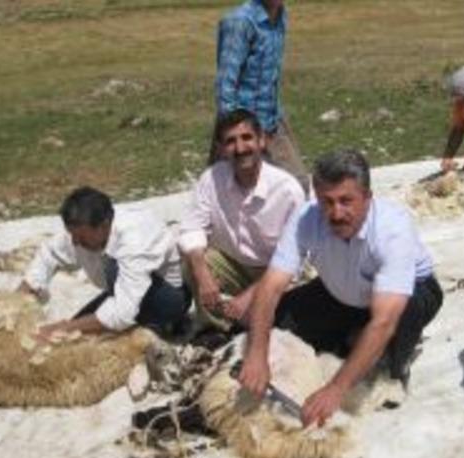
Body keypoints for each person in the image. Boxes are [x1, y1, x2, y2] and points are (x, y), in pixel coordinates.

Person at [238, 149, 444, 427]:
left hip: (406, 296)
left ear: (368, 198)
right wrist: (257, 354)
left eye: (347, 201)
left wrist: (334, 390)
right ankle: (350, 338)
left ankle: (397, 357)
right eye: (327, 202)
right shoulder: (306, 218)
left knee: (387, 341)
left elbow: (383, 321)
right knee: (275, 325)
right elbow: (271, 286)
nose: (336, 213)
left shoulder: (392, 229)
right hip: (339, 291)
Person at [179, 109, 306, 334]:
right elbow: (191, 228)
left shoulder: (287, 190)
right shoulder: (212, 178)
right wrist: (202, 274)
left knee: (279, 320)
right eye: (230, 141)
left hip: (275, 271)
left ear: (262, 141)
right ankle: (217, 328)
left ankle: (244, 317)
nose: (240, 148)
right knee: (192, 257)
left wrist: (251, 295)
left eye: (247, 138)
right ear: (220, 148)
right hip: (234, 264)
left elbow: (291, 259)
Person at [18, 186, 191, 339]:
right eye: (73, 236)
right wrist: (22, 298)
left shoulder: (135, 238)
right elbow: (50, 253)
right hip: (122, 292)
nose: (76, 242)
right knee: (73, 335)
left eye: (81, 237)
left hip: (167, 299)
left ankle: (162, 326)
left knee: (112, 270)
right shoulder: (83, 229)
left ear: (104, 224)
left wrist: (64, 328)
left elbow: (123, 312)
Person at [212, 0, 309, 192]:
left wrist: (277, 117)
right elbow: (225, 85)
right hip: (242, 125)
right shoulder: (240, 22)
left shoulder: (280, 14)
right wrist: (235, 134)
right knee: (229, 193)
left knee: (298, 186)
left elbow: (269, 77)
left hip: (271, 120)